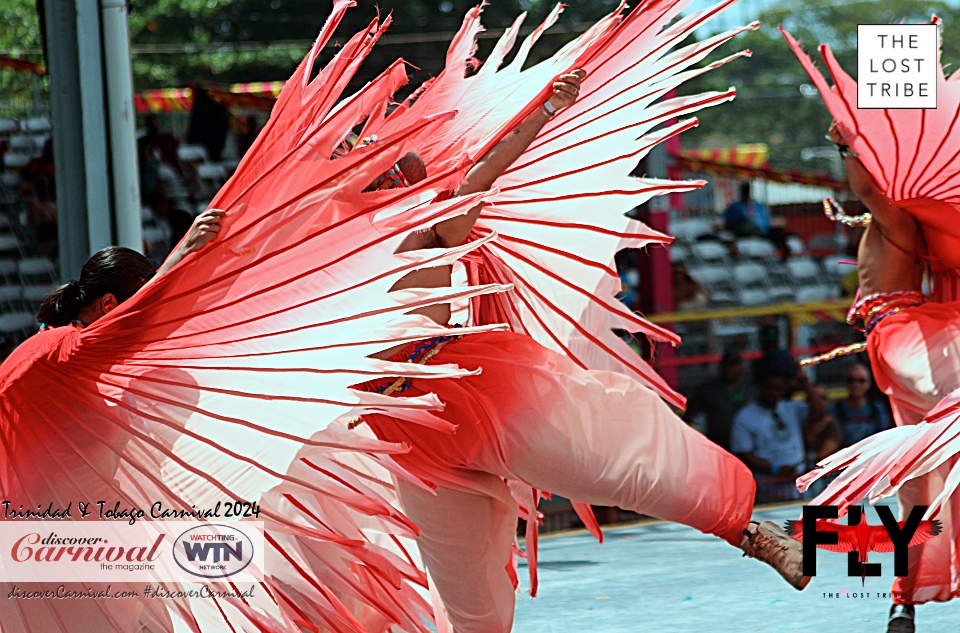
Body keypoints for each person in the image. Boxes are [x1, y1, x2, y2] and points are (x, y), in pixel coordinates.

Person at [350, 66, 813, 633]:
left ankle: (751, 534)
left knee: (623, 468)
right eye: (368, 169)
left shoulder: (429, 225)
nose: (377, 179)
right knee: (475, 614)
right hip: (402, 435)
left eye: (383, 169)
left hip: (472, 390)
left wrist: (544, 112)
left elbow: (481, 177)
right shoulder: (313, 266)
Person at [730, 357, 828, 501]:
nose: (774, 393)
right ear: (760, 386)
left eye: (779, 389)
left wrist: (804, 381)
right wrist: (775, 469)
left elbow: (820, 412)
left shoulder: (791, 407)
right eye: (770, 388)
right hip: (767, 489)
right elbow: (745, 454)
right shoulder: (745, 417)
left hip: (797, 486)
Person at [684, 348, 751, 451]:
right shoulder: (708, 390)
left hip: (747, 447)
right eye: (729, 365)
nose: (733, 369)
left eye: (736, 365)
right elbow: (690, 417)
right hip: (718, 446)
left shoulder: (750, 389)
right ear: (721, 367)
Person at [830, 361, 890, 447]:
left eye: (861, 381)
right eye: (851, 380)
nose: (855, 384)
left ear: (868, 384)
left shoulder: (877, 408)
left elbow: (884, 437)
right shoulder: (835, 409)